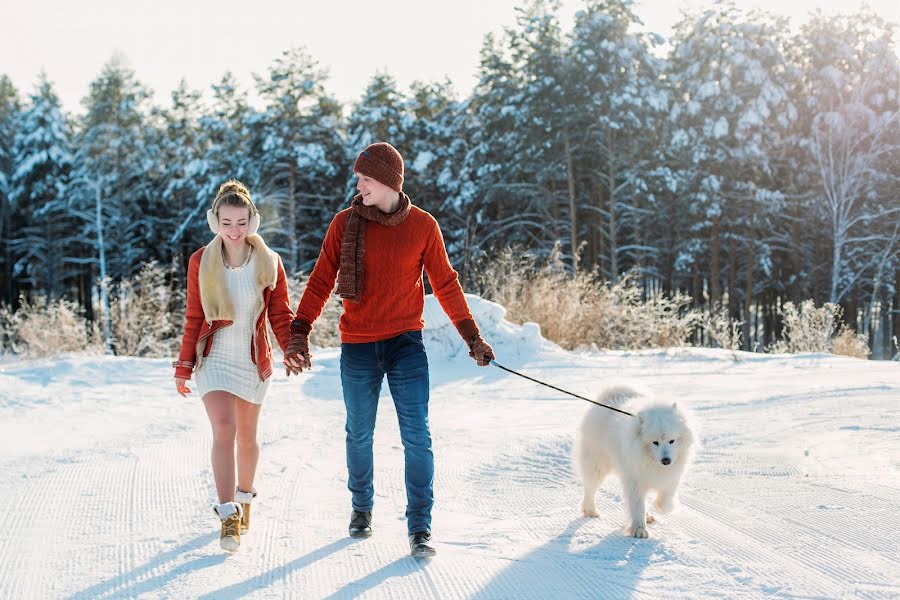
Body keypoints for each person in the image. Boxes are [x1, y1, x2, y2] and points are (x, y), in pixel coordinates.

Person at [283, 142, 495, 558]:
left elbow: (446, 284)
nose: (358, 185)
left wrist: (472, 337)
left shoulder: (422, 226)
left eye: (365, 179)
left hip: (405, 344)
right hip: (358, 345)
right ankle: (361, 508)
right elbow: (321, 280)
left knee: (417, 435)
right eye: (359, 178)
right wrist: (300, 330)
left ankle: (420, 527)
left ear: (388, 181)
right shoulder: (345, 224)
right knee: (358, 433)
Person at [173, 179, 294, 552]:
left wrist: (292, 348)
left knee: (247, 436)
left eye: (241, 222)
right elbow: (194, 315)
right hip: (213, 359)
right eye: (227, 222)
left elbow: (280, 314)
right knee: (223, 428)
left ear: (253, 222)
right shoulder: (201, 261)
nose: (234, 230)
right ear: (215, 222)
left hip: (252, 358)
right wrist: (183, 364)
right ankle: (227, 515)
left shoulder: (269, 262)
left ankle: (245, 500)